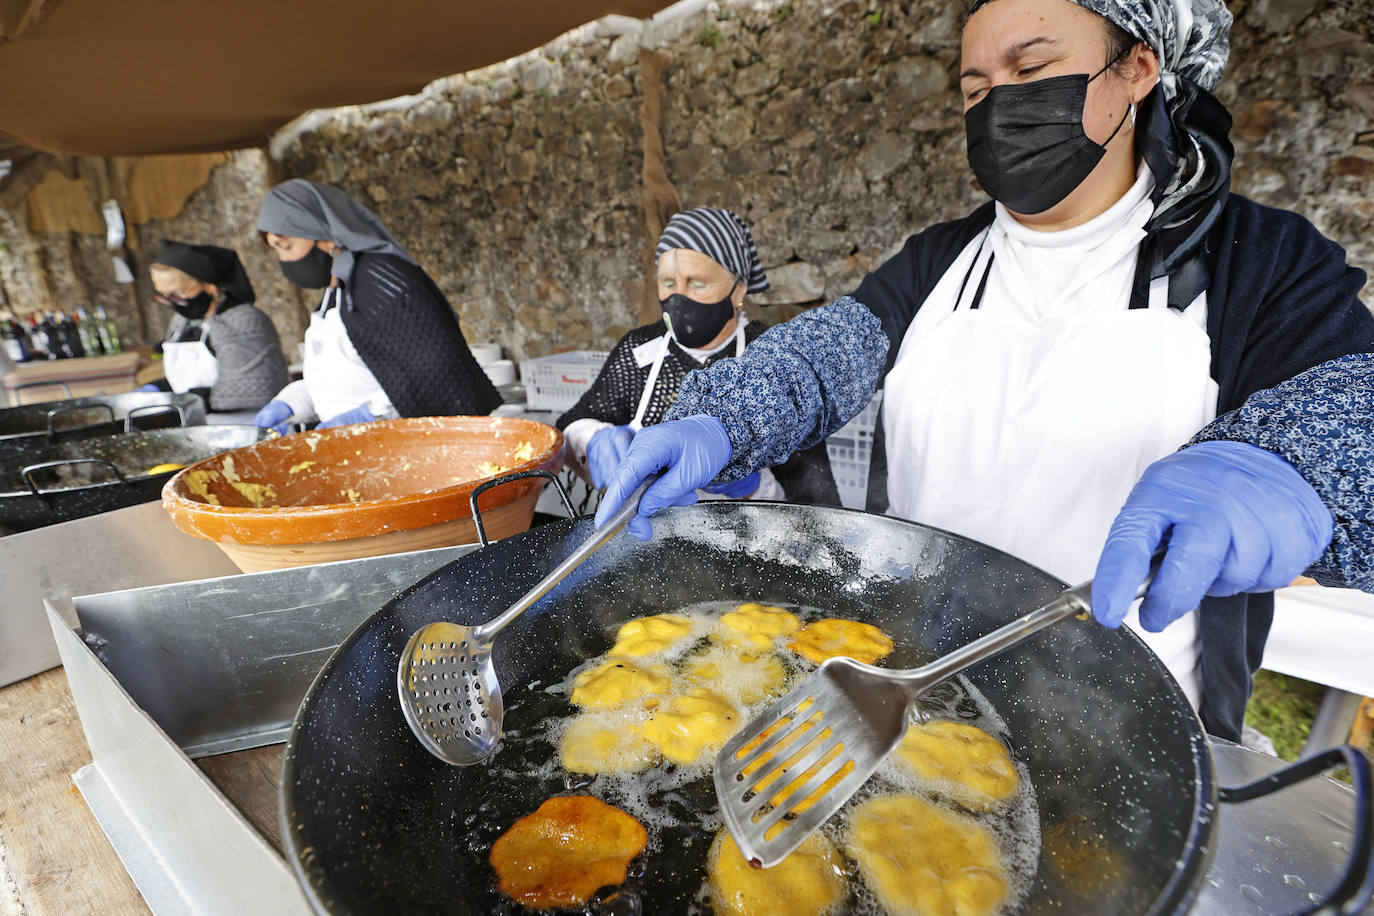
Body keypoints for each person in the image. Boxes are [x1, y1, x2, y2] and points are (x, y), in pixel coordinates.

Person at [593, 0, 1374, 741]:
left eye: (1030, 71)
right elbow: (815, 359)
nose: (999, 105)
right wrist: (722, 420)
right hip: (922, 686)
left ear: (1138, 69)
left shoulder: (1262, 261)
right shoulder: (939, 263)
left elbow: (1354, 405)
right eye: (976, 88)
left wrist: (1294, 465)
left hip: (1135, 719)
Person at [557, 207, 840, 505]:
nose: (679, 298)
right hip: (648, 539)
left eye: (697, 283)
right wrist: (592, 440)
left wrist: (754, 488)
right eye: (668, 283)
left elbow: (815, 500)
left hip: (749, 539)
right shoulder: (639, 349)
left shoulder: (778, 357)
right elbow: (572, 422)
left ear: (738, 289)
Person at [252, 180, 499, 433]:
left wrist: (369, 416)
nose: (284, 260)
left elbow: (435, 375)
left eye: (286, 247)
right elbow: (345, 379)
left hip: (409, 452)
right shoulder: (336, 293)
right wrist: (292, 402)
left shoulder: (381, 281)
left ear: (323, 232)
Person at [139, 241, 289, 413]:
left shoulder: (245, 321)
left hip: (246, 425)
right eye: (164, 295)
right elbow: (186, 379)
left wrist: (176, 399)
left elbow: (246, 390)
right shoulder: (181, 322)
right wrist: (158, 388)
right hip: (197, 425)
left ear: (210, 286)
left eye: (178, 293)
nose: (172, 303)